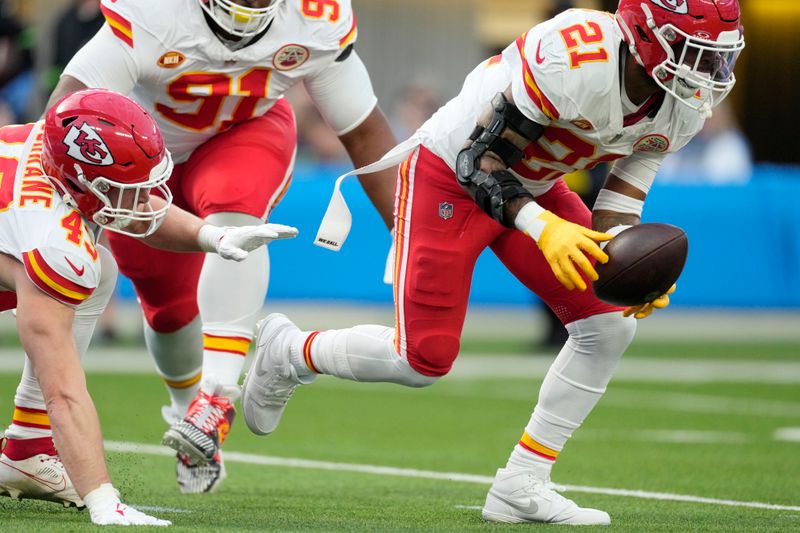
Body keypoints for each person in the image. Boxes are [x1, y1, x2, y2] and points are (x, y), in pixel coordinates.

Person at [241, 0, 744, 525]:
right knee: (421, 360)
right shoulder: (576, 57)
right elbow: (480, 163)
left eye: (718, 57)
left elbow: (619, 202)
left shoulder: (681, 104)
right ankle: (290, 351)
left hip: (533, 184)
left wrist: (626, 258)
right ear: (645, 36)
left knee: (608, 325)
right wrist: (543, 228)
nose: (707, 72)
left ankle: (522, 483)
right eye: (694, 52)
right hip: (450, 172)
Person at [47, 0, 398, 493]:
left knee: (239, 214)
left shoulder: (314, 19)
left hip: (244, 132)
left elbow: (363, 129)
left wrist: (408, 232)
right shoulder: (155, 13)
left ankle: (216, 395)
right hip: (140, 158)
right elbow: (64, 113)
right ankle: (185, 400)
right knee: (167, 308)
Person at [0, 88, 297, 525]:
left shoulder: (44, 140)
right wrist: (103, 501)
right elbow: (63, 393)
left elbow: (138, 209)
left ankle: (27, 447)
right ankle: (30, 448)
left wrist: (214, 237)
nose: (144, 198)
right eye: (126, 189)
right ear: (84, 184)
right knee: (82, 274)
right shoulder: (54, 241)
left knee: (98, 268)